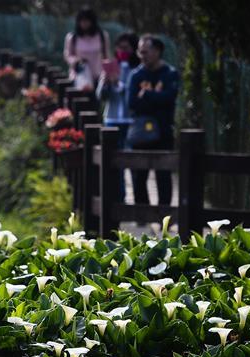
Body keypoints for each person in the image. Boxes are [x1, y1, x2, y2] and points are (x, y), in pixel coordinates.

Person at [127, 34, 179, 207]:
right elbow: (132, 103)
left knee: (163, 174)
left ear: (157, 51)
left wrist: (147, 95)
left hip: (164, 131)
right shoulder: (135, 75)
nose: (142, 55)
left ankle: (164, 215)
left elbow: (169, 98)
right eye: (139, 52)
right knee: (138, 175)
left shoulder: (170, 74)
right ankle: (142, 213)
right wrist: (156, 99)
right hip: (141, 132)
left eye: (146, 51)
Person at [96, 31, 140, 200]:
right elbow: (100, 96)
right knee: (114, 164)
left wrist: (119, 84)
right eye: (120, 47)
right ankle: (119, 200)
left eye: (126, 48)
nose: (122, 50)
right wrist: (106, 83)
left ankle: (138, 201)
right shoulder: (110, 67)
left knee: (134, 162)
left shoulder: (137, 69)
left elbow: (133, 94)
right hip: (112, 120)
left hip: (131, 121)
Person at [63, 7, 108, 91]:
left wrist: (107, 74)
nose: (84, 23)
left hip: (97, 77)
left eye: (87, 20)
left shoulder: (102, 36)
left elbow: (106, 56)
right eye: (81, 20)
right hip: (79, 77)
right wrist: (76, 61)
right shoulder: (72, 37)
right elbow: (67, 55)